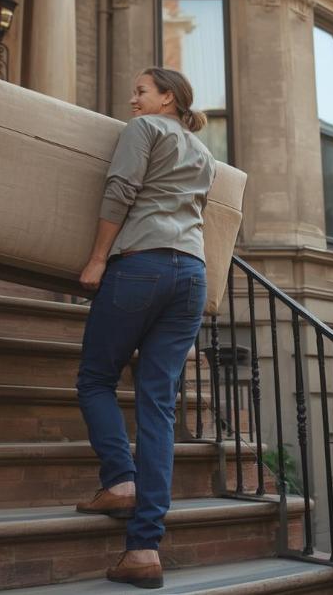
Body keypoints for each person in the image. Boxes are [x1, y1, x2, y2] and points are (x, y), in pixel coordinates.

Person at [73, 67, 215, 589]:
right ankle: (143, 548)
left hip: (141, 265)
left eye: (140, 91)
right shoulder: (203, 152)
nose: (131, 98)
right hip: (192, 275)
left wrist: (95, 259)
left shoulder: (143, 131)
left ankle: (119, 479)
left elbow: (119, 191)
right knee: (157, 403)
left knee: (95, 379)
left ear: (168, 99)